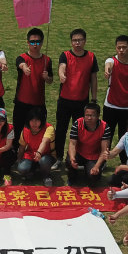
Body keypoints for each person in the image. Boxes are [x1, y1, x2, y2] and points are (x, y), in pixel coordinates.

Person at [55, 28, 98, 169]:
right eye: (74, 40)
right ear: (71, 42)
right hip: (65, 101)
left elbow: (93, 79)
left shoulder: (91, 57)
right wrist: (61, 74)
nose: (77, 43)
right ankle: (58, 157)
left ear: (85, 41)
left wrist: (94, 99)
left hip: (82, 102)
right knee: (61, 130)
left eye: (80, 40)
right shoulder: (65, 55)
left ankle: (77, 158)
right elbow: (62, 66)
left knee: (80, 132)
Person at [12, 28, 53, 143]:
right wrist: (25, 67)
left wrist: (47, 78)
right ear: (28, 42)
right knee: (18, 131)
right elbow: (20, 63)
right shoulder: (22, 58)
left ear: (42, 43)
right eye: (32, 42)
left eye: (38, 42)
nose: (35, 45)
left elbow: (50, 80)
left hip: (39, 104)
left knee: (38, 132)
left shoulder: (47, 60)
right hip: (22, 103)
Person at [103, 34, 128, 148]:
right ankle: (104, 157)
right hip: (111, 106)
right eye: (119, 47)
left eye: (124, 47)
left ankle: (125, 158)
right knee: (107, 136)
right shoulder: (112, 60)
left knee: (126, 137)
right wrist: (107, 70)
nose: (121, 50)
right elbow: (108, 64)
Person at [67, 103, 110, 187]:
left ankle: (91, 173)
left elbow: (104, 150)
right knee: (69, 161)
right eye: (87, 115)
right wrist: (72, 158)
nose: (89, 118)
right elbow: (72, 143)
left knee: (93, 176)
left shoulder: (105, 127)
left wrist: (97, 166)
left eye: (92, 115)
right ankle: (73, 176)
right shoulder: (77, 123)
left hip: (94, 156)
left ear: (98, 116)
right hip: (79, 153)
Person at [17, 107, 55, 188]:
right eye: (32, 120)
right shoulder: (25, 129)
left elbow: (44, 141)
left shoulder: (49, 128)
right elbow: (22, 146)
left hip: (45, 154)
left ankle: (46, 176)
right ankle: (33, 169)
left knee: (44, 161)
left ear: (42, 120)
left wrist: (39, 152)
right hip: (30, 155)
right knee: (22, 169)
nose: (34, 123)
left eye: (37, 120)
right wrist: (19, 160)